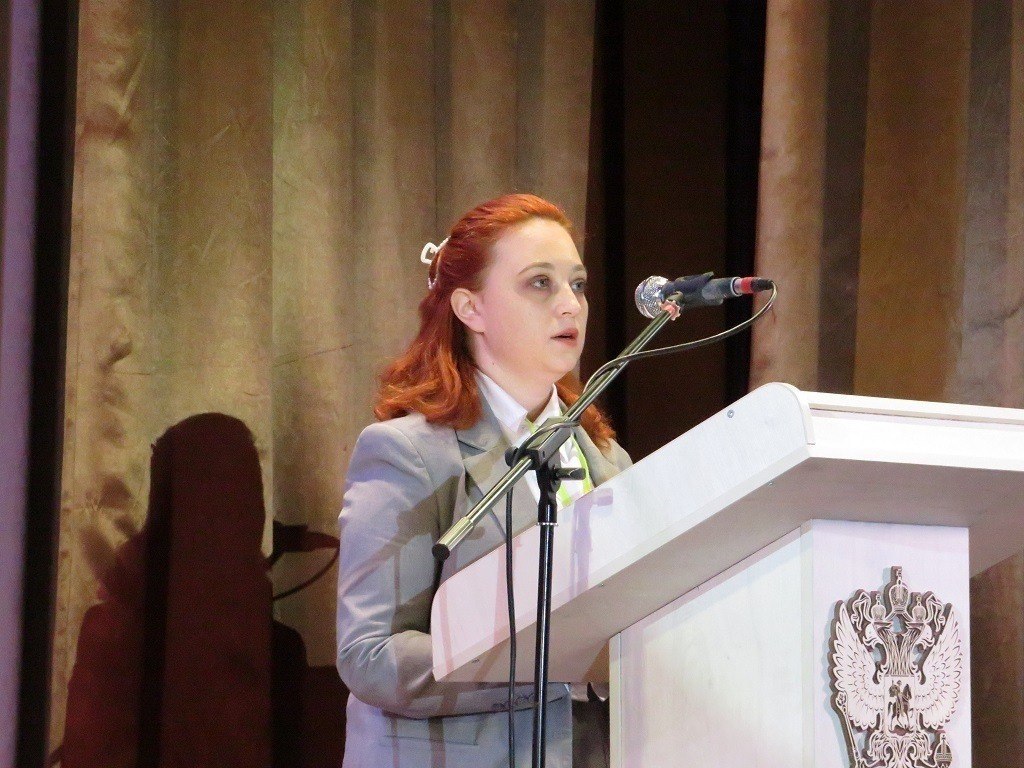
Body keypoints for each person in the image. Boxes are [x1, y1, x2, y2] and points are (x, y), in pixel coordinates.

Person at [335, 193, 631, 767]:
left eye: (578, 284)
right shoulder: (408, 453)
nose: (569, 305)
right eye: (539, 283)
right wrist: (549, 666)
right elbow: (371, 656)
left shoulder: (606, 456)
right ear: (470, 308)